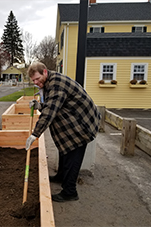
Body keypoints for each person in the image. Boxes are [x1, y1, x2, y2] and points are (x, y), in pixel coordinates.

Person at [24, 62, 101, 202]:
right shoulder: (49, 83)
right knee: (64, 149)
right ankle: (61, 176)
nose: (36, 82)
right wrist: (39, 105)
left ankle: (70, 192)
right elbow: (50, 105)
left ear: (45, 72)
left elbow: (50, 112)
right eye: (33, 80)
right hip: (73, 119)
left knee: (72, 156)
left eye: (37, 78)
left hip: (82, 124)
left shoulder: (57, 84)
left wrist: (35, 133)